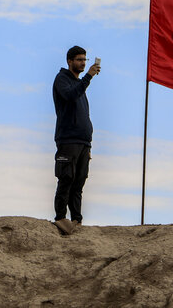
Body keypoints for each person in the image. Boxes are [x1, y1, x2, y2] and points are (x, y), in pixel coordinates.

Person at [52, 45, 100, 235]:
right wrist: (88, 76)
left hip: (83, 142)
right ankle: (60, 218)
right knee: (66, 178)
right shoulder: (62, 80)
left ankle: (76, 220)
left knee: (79, 181)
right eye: (79, 59)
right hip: (68, 139)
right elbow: (70, 95)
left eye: (84, 60)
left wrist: (88, 144)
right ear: (70, 61)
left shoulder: (79, 85)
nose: (82, 63)